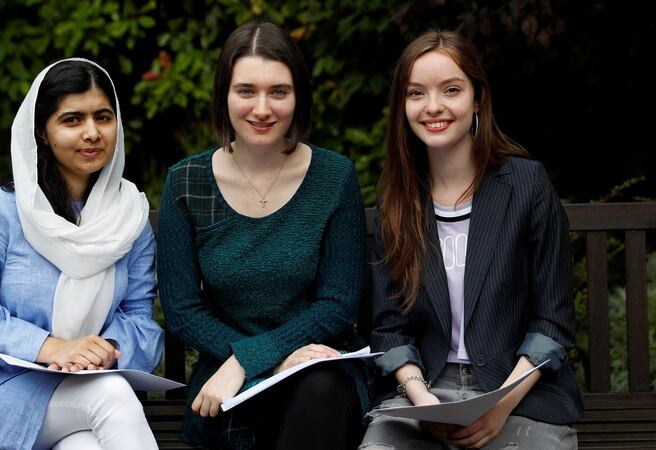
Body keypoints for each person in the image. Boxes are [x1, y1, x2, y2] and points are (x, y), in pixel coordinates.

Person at [360, 30, 583, 449]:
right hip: (424, 392)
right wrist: (423, 402)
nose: (434, 107)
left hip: (520, 393)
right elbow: (390, 329)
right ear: (401, 105)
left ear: (477, 98)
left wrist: (499, 407)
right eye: (416, 93)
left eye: (451, 90)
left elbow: (552, 321)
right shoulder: (398, 200)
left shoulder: (526, 185)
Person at [157, 21, 368, 450]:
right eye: (246, 91)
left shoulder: (333, 176)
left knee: (317, 394)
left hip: (318, 368)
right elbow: (181, 310)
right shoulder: (188, 181)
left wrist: (259, 358)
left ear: (298, 97)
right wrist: (255, 363)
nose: (262, 108)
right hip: (227, 373)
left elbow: (338, 303)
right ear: (224, 96)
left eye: (279, 91)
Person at [0, 58, 164, 450]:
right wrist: (53, 348)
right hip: (3, 390)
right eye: (73, 120)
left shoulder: (129, 217)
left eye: (103, 117)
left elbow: (141, 323)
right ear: (42, 131)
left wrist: (99, 352)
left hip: (88, 385)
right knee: (112, 395)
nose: (92, 133)